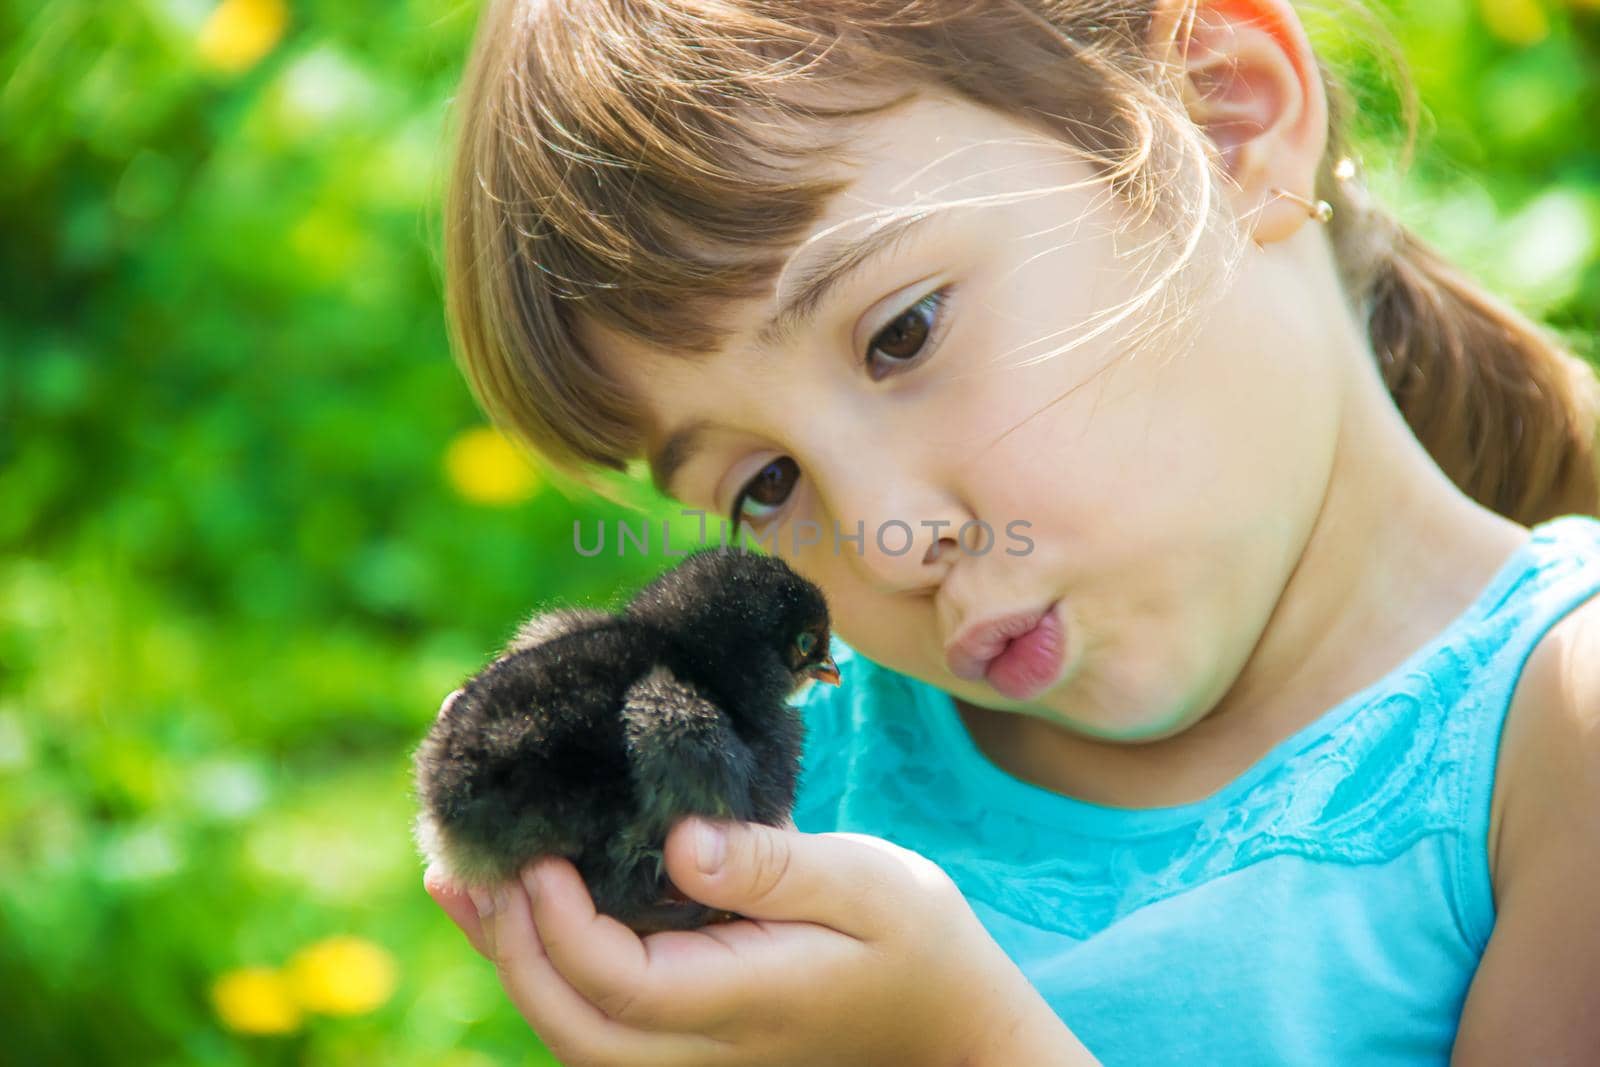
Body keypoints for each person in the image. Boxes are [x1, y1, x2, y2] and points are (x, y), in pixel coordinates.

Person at [421, 0, 1600, 1062]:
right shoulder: (776, 792)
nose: (885, 541)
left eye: (902, 334)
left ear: (1223, 116)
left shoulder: (1560, 742)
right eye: (767, 482)